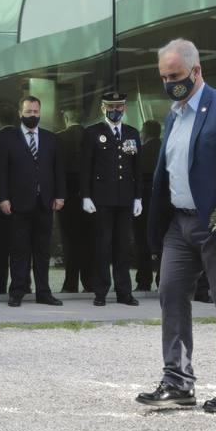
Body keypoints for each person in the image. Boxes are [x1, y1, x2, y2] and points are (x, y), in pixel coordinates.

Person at [138, 38, 216, 413]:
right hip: (178, 224)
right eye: (164, 77)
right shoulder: (173, 114)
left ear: (196, 70)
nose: (170, 82)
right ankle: (177, 382)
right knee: (171, 297)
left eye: (175, 75)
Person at [0, 96, 65, 307]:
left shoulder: (51, 138)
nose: (32, 115)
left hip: (44, 203)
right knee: (19, 250)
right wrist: (3, 198)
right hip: (18, 204)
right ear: (20, 113)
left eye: (35, 112)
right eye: (28, 112)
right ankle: (17, 291)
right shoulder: (8, 139)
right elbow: (1, 172)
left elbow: (58, 171)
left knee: (42, 251)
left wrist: (60, 195)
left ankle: (44, 292)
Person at [81, 90, 142, 307]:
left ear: (124, 108)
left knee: (123, 248)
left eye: (119, 107)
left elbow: (137, 168)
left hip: (125, 199)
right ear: (103, 108)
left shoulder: (132, 133)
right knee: (103, 247)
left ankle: (124, 292)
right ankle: (100, 292)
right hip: (101, 200)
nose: (115, 110)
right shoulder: (92, 133)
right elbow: (86, 168)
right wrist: (86, 196)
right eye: (110, 107)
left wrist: (138, 197)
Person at [56, 107, 93, 294]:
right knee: (88, 240)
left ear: (67, 119)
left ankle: (70, 283)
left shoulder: (59, 138)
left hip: (66, 197)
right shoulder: (91, 136)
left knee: (69, 240)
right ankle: (89, 282)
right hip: (89, 197)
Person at [0, 102, 18, 295]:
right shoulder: (22, 139)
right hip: (21, 200)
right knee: (20, 245)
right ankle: (21, 282)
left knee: (0, 246)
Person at [134, 118, 163, 293]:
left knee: (142, 240)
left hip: (143, 201)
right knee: (164, 241)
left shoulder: (141, 152)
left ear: (144, 133)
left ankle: (143, 281)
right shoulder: (165, 150)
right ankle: (162, 278)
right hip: (162, 202)